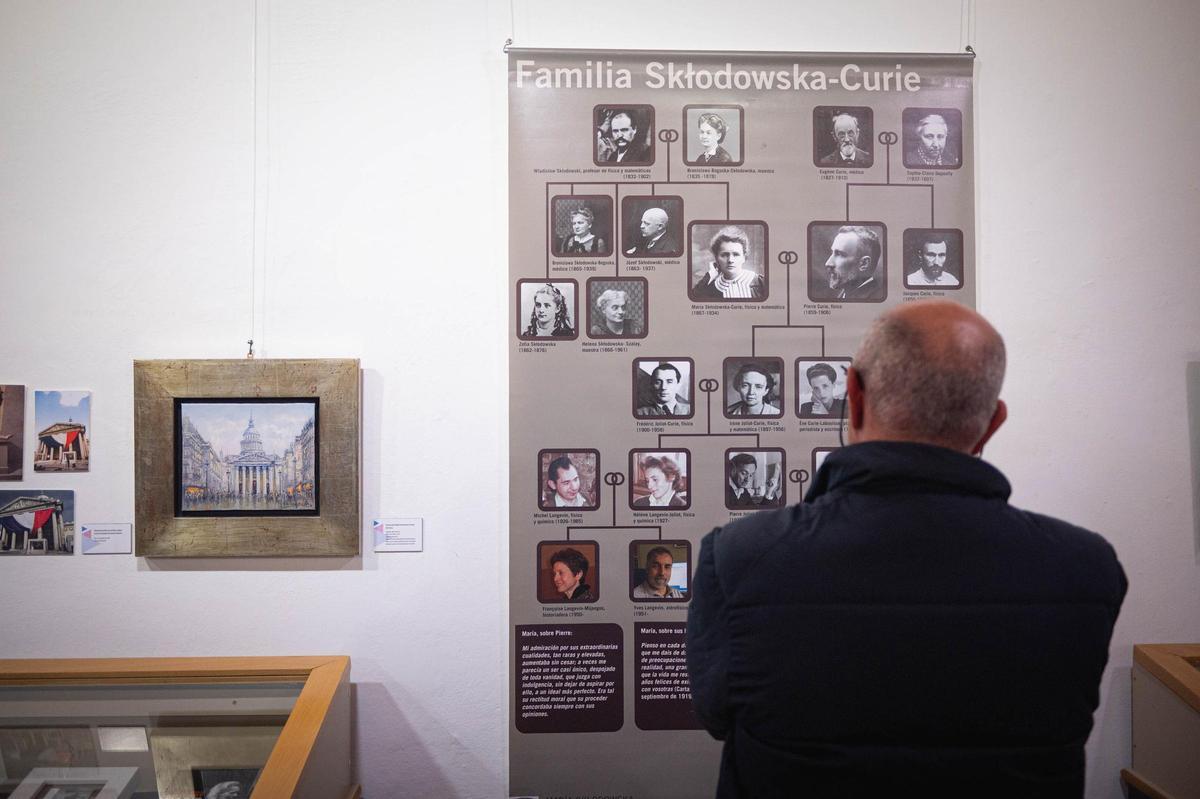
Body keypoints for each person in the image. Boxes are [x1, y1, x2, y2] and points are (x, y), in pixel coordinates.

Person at [687, 300, 1127, 797]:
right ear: (992, 423)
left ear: (852, 395)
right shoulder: (1086, 569)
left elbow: (716, 713)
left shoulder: (740, 557)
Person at [692, 226, 765, 300]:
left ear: (744, 257)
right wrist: (710, 274)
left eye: (736, 254)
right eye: (724, 255)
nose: (730, 260)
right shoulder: (711, 288)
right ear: (717, 258)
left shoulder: (760, 283)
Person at [821, 225, 883, 301]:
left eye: (839, 254)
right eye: (832, 252)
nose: (828, 263)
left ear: (864, 264)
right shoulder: (844, 295)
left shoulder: (876, 297)